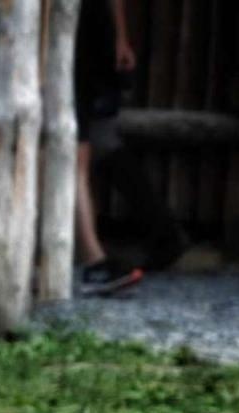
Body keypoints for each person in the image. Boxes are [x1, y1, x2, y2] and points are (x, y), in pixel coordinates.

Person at [74, 0, 185, 296]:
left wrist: (119, 36)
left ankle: (95, 258)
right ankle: (96, 257)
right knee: (88, 145)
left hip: (87, 32)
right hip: (81, 32)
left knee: (85, 145)